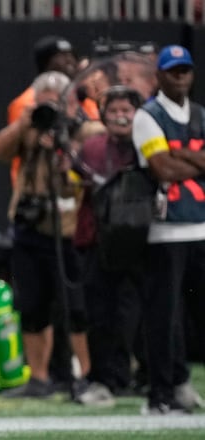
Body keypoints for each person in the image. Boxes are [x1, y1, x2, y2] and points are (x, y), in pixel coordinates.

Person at [0, 71, 90, 399]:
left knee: (76, 307)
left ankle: (87, 375)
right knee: (32, 306)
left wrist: (64, 140)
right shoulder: (29, 127)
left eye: (55, 104)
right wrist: (25, 123)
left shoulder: (84, 128)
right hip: (30, 227)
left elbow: (92, 166)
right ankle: (39, 378)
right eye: (42, 103)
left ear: (69, 102)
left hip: (70, 230)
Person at [131, 44, 205, 414]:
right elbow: (162, 169)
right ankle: (160, 392)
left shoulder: (200, 114)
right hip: (165, 231)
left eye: (185, 70)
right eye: (173, 70)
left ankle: (181, 382)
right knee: (164, 316)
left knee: (194, 317)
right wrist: (196, 160)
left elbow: (172, 161)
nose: (180, 76)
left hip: (201, 226)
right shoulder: (148, 115)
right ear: (158, 75)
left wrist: (179, 154)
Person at [72, 86, 146, 406]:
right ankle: (101, 377)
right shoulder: (91, 147)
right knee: (99, 313)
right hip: (97, 240)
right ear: (102, 115)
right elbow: (77, 175)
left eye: (126, 109)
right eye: (113, 109)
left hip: (139, 241)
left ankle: (140, 374)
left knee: (137, 313)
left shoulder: (147, 145)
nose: (120, 115)